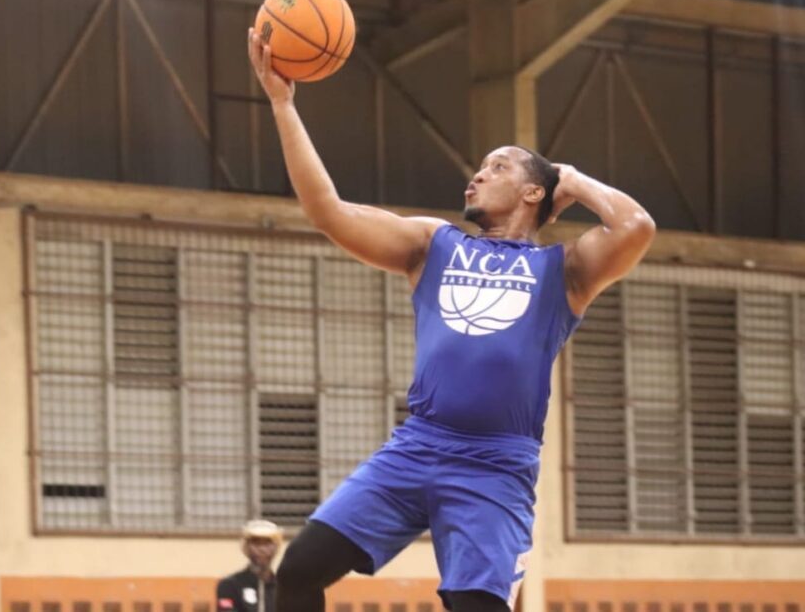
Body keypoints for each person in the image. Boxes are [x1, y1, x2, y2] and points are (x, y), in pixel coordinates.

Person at [247, 30, 656, 612]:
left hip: (495, 464)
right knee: (299, 572)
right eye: (479, 167)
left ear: (536, 190)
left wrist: (573, 177)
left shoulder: (562, 268)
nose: (477, 174)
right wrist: (283, 105)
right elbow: (327, 210)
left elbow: (636, 228)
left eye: (497, 167)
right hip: (418, 445)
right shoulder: (431, 244)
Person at [216, 519, 284, 612]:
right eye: (256, 543)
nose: (262, 549)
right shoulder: (229, 585)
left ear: (276, 548)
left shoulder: (283, 588)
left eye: (267, 543)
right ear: (246, 547)